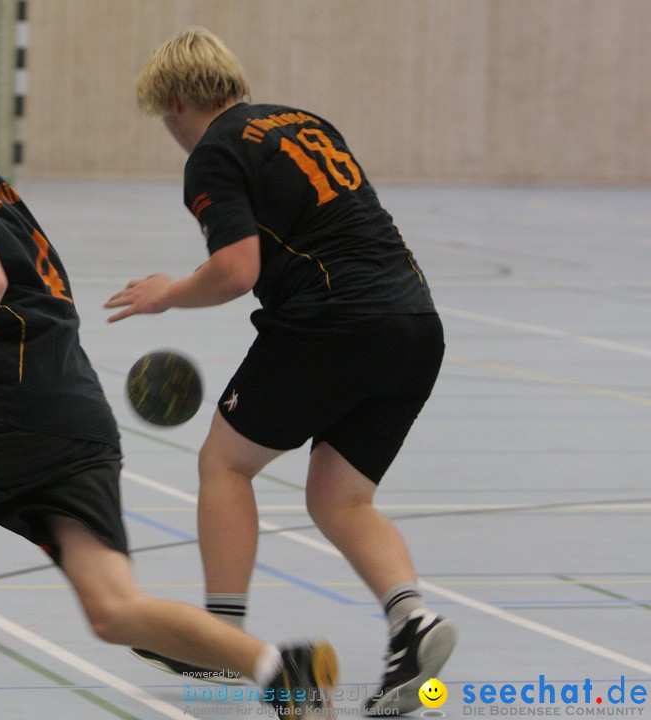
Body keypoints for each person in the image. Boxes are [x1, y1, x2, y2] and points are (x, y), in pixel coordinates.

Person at [0, 68, 338, 720]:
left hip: (12, 406)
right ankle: (279, 671)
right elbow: (20, 287)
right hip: (76, 412)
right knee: (114, 610)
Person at [104, 27, 456, 716]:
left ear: (179, 100)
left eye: (166, 120)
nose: (173, 134)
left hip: (334, 324)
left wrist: (166, 294)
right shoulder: (304, 122)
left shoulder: (214, 150)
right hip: (416, 326)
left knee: (225, 464)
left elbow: (237, 271)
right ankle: (411, 623)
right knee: (340, 497)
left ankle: (221, 638)